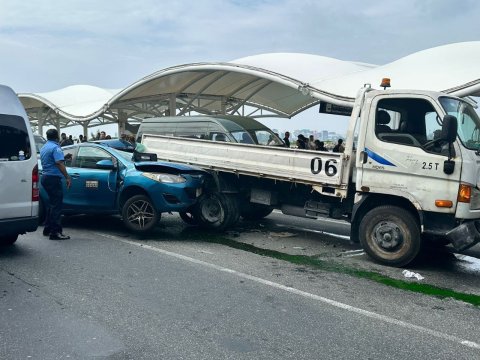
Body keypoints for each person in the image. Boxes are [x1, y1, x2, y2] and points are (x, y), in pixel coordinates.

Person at [40, 129, 71, 240]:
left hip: (45, 177)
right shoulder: (56, 147)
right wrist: (67, 177)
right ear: (57, 137)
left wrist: (64, 158)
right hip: (53, 178)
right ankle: (55, 232)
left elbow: (53, 160)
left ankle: (47, 228)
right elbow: (58, 163)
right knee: (57, 205)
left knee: (52, 204)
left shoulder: (44, 147)